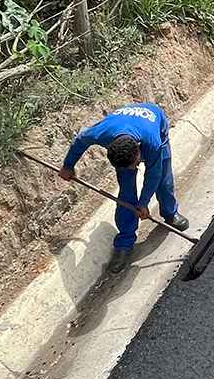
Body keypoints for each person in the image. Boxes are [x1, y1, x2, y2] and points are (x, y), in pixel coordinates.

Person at [60, 103, 188, 273]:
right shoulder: (101, 133)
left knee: (164, 181)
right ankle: (125, 243)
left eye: (134, 165)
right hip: (121, 124)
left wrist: (143, 203)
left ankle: (170, 213)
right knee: (126, 195)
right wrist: (68, 166)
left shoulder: (152, 141)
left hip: (155, 121)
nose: (134, 169)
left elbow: (153, 176)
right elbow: (79, 141)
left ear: (138, 150)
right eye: (128, 167)